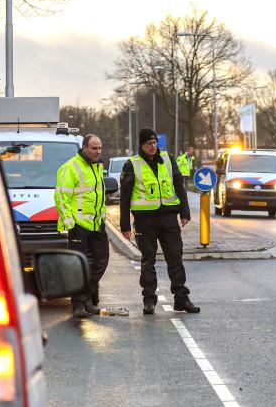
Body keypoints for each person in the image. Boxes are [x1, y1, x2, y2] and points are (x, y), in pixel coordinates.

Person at [120, 128, 200, 315]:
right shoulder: (132, 164)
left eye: (155, 142)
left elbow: (179, 186)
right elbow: (124, 197)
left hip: (168, 218)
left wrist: (184, 212)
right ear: (141, 144)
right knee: (148, 260)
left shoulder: (168, 159)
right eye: (149, 143)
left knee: (175, 258)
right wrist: (125, 225)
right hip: (144, 220)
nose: (153, 146)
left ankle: (181, 298)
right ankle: (149, 300)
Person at [55, 134, 109, 318]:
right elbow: (61, 196)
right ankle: (78, 304)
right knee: (78, 265)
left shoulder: (97, 167)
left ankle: (85, 298)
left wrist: (102, 219)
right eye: (94, 148)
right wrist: (70, 223)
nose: (98, 152)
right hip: (78, 225)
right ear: (84, 148)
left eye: (100, 148)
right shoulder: (70, 168)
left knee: (101, 261)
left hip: (96, 224)